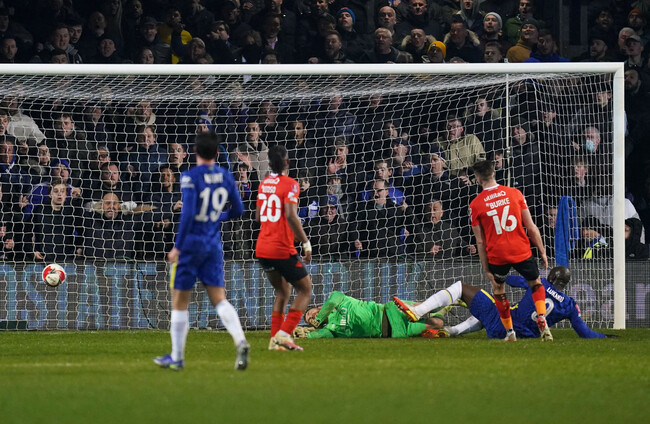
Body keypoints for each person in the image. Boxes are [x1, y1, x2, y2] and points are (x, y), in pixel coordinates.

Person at [154, 131, 249, 371]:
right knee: (219, 299)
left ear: (195, 152)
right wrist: (217, 216)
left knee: (179, 301)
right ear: (216, 152)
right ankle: (240, 340)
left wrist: (177, 247)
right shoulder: (226, 176)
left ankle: (177, 357)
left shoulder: (190, 176)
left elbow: (187, 215)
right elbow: (239, 210)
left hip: (191, 245)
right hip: (213, 245)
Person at [455, 160, 550, 340]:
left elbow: (480, 241)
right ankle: (541, 316)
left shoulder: (475, 205)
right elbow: (531, 227)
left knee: (499, 289)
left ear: (477, 179)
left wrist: (486, 268)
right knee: (535, 282)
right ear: (493, 173)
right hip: (520, 250)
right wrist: (542, 251)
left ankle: (510, 332)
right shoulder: (515, 193)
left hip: (497, 255)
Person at [395, 266, 613, 340]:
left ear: (551, 277)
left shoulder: (540, 283)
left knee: (462, 288)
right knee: (487, 310)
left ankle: (418, 310)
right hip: (518, 335)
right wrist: (606, 337)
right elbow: (585, 333)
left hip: (505, 325)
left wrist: (502, 272)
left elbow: (511, 280)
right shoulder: (570, 305)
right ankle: (451, 331)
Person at [256, 145, 313, 351]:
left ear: (270, 164)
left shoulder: (264, 184)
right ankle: (284, 334)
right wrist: (305, 242)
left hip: (262, 248)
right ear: (287, 162)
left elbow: (258, 216)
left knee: (282, 291)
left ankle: (274, 341)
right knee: (305, 290)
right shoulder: (291, 184)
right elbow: (291, 215)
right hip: (280, 248)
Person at [300, 291, 448, 339]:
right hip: (395, 332)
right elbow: (315, 336)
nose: (312, 318)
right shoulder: (331, 330)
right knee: (437, 323)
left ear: (319, 307)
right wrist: (304, 334)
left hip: (390, 311)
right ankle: (444, 309)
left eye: (311, 314)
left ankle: (448, 300)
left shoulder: (337, 298)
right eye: (310, 320)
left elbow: (332, 301)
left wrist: (318, 318)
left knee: (425, 306)